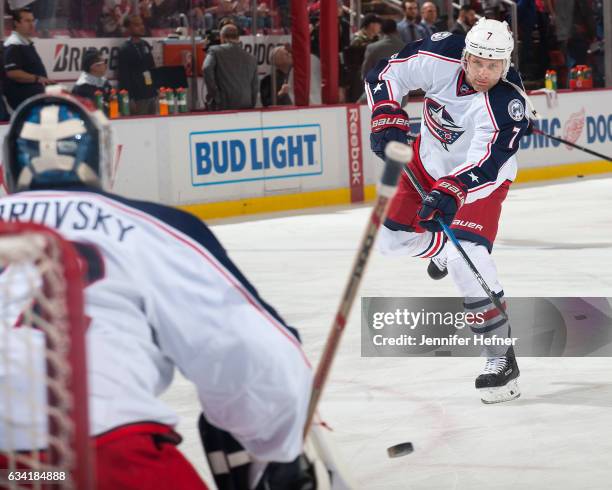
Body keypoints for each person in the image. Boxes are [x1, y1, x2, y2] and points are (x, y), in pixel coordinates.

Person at [0, 89, 346, 489]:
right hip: (104, 459)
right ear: (101, 156)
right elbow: (255, 360)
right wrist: (277, 452)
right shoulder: (152, 228)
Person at [365, 19, 532, 404]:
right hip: (426, 162)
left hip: (478, 183)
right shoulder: (438, 54)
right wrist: (387, 113)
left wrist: (454, 189)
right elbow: (384, 74)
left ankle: (500, 359)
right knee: (390, 242)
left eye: (494, 65)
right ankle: (441, 247)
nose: (484, 73)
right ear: (465, 56)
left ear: (505, 65)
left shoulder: (507, 102)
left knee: (465, 257)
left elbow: (488, 163)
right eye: (477, 63)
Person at [3, 7, 53, 111]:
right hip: (26, 101)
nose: (31, 24)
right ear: (16, 23)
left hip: (35, 98)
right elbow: (13, 73)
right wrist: (38, 78)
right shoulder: (13, 44)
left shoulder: (25, 43)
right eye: (27, 21)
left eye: (32, 20)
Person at [203, 24, 258, 111]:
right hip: (246, 104)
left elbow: (206, 68)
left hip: (223, 103)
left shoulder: (214, 51)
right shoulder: (251, 58)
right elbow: (255, 86)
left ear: (222, 37)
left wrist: (215, 95)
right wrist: (251, 103)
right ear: (238, 38)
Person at [117, 14, 157, 115]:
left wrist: (156, 91)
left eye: (142, 24)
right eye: (136, 25)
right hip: (137, 97)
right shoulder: (125, 49)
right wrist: (129, 99)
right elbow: (123, 77)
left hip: (151, 95)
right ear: (128, 28)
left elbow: (152, 68)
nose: (141, 27)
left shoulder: (145, 44)